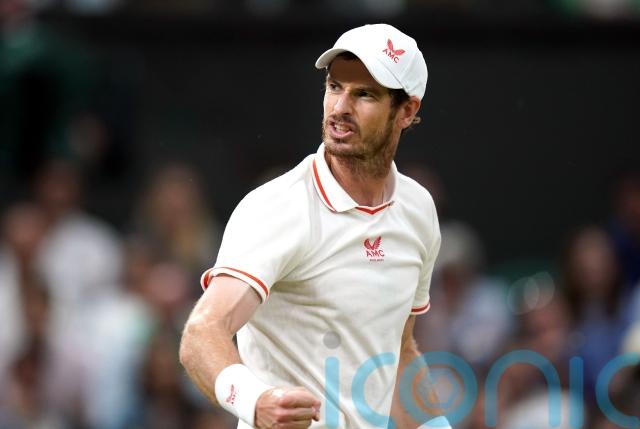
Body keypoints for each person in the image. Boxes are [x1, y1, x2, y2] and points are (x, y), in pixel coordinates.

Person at [180, 24, 447, 429]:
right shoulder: (276, 208)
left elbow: (400, 351)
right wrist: (256, 402)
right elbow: (202, 334)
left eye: (365, 94)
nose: (340, 107)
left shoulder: (418, 209)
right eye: (335, 87)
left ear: (407, 112)